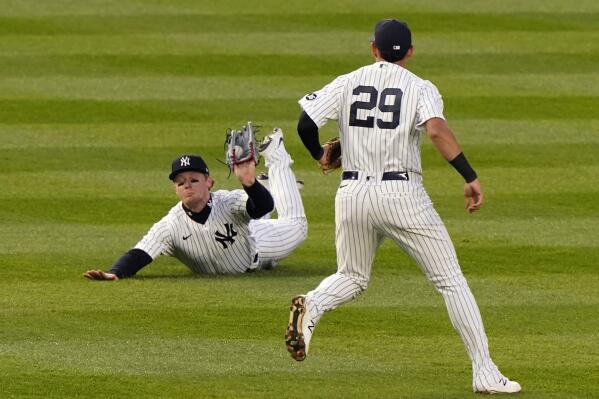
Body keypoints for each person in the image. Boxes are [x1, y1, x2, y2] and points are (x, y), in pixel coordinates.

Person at [284, 19, 521, 394]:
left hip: (352, 195)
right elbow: (437, 131)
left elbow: (304, 122)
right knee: (450, 281)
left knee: (352, 276)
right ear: (410, 52)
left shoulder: (348, 81)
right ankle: (484, 372)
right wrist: (469, 176)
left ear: (373, 48)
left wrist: (320, 155)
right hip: (401, 196)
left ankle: (312, 304)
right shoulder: (420, 87)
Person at [84, 127, 307, 279]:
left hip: (258, 243)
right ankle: (264, 185)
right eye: (181, 182)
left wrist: (248, 182)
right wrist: (115, 272)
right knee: (255, 208)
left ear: (209, 182)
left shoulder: (227, 201)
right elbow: (140, 253)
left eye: (193, 180)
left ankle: (275, 154)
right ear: (175, 189)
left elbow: (263, 208)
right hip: (243, 233)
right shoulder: (171, 225)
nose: (187, 185)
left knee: (296, 226)